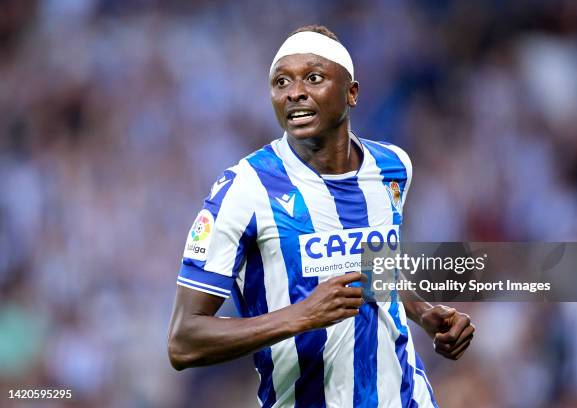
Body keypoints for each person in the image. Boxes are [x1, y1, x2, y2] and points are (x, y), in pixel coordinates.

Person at [167, 25, 475, 408]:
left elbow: (374, 263)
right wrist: (300, 316)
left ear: (352, 93)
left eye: (313, 78)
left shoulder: (393, 167)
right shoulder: (243, 190)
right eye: (281, 82)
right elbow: (184, 341)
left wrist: (423, 312)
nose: (295, 92)